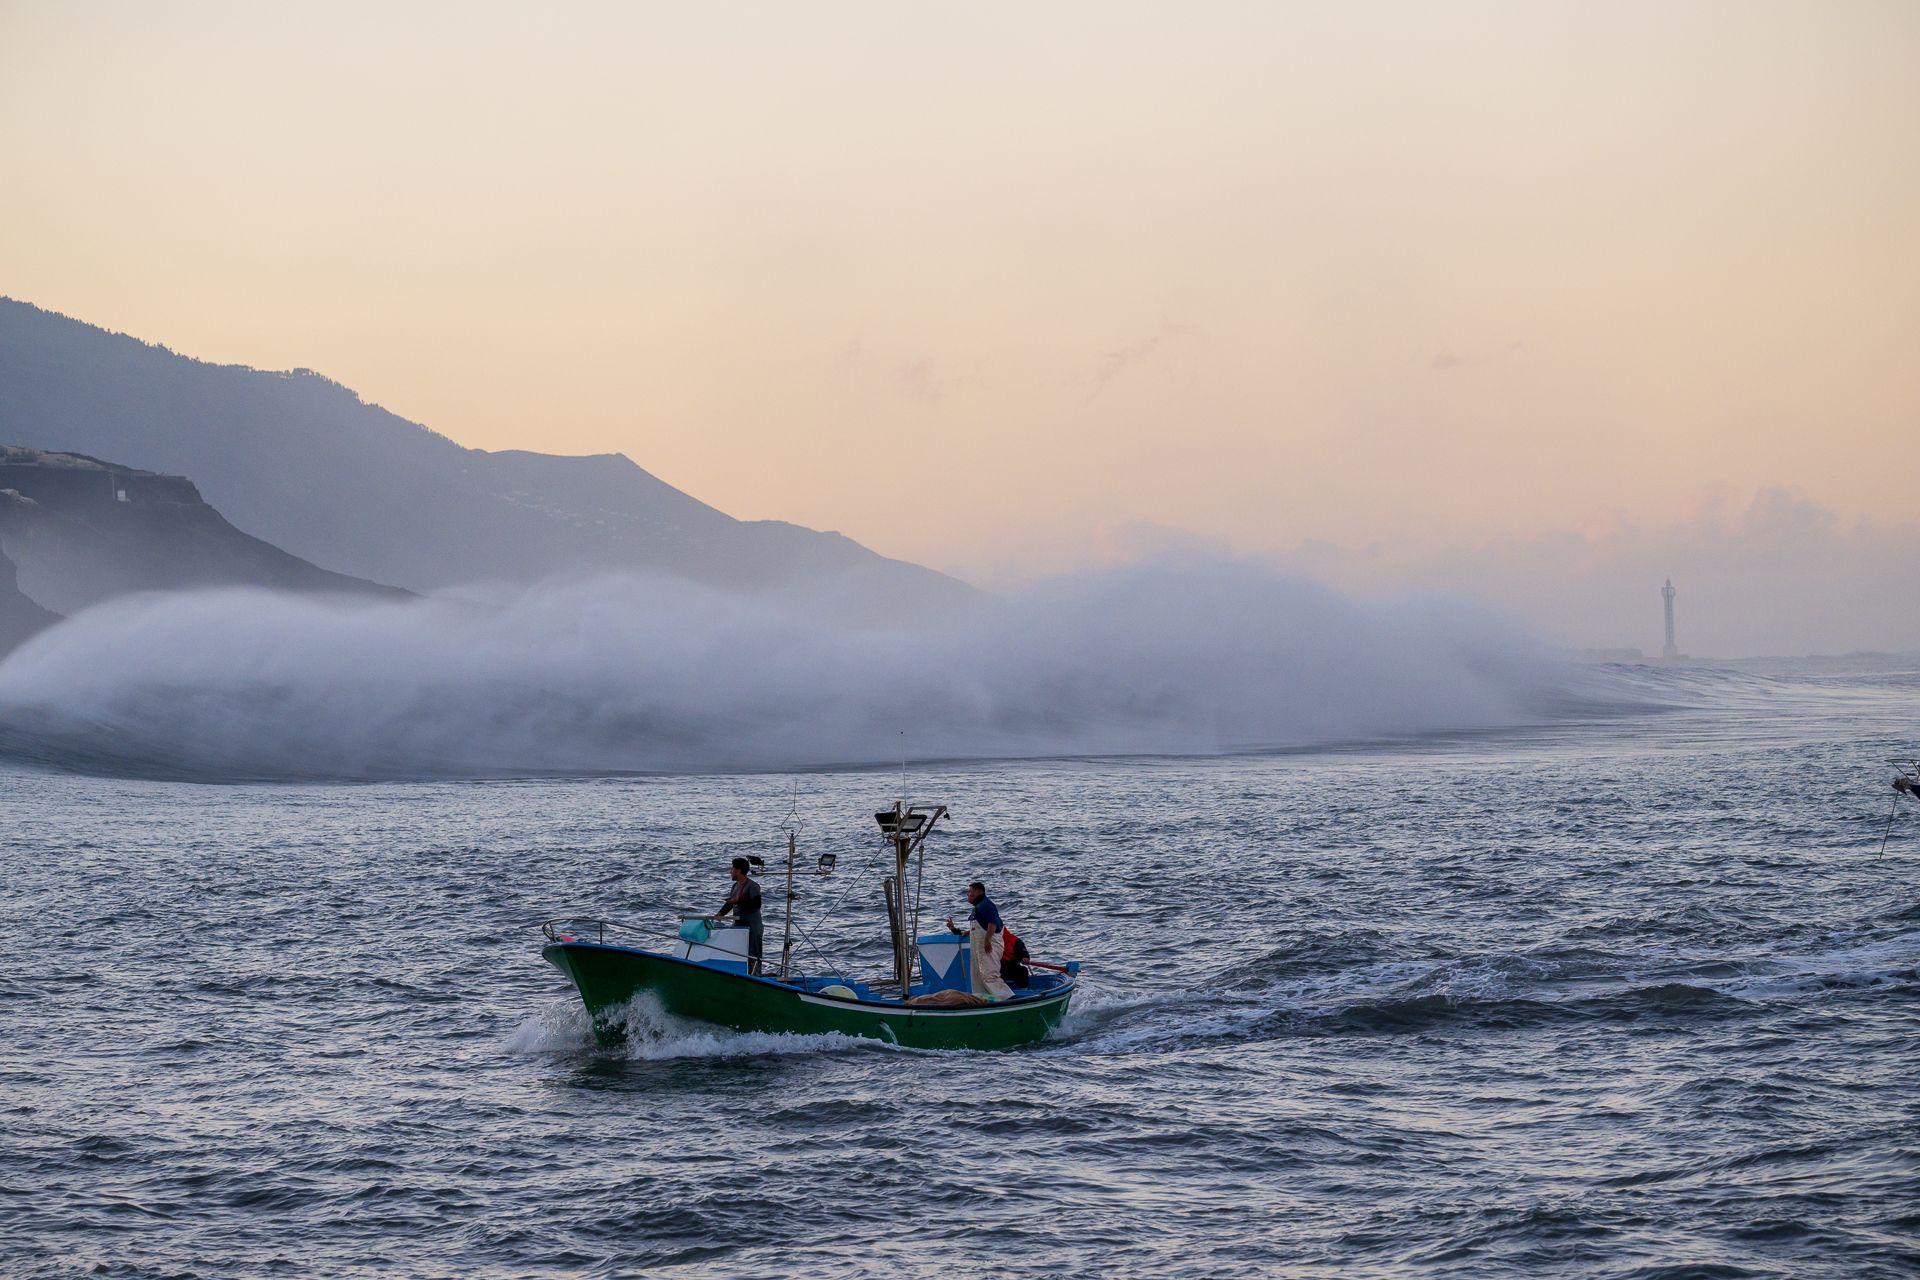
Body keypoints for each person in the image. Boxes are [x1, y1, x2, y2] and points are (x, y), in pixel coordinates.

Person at [945, 881, 1013, 1001]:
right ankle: (982, 1000)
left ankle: (1008, 998)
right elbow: (974, 930)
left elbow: (993, 922)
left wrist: (987, 940)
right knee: (977, 976)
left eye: (970, 891)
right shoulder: (977, 909)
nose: (967, 894)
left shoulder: (986, 905)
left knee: (989, 975)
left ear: (978, 891)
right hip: (978, 948)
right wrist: (954, 929)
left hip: (988, 946)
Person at [713, 856, 764, 974]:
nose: (730, 872)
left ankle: (757, 975)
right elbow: (730, 903)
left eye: (732, 869)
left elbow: (756, 904)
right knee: (739, 952)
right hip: (739, 925)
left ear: (739, 870)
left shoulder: (752, 886)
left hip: (752, 925)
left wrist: (738, 901)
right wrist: (720, 914)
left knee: (753, 952)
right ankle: (742, 973)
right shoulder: (735, 886)